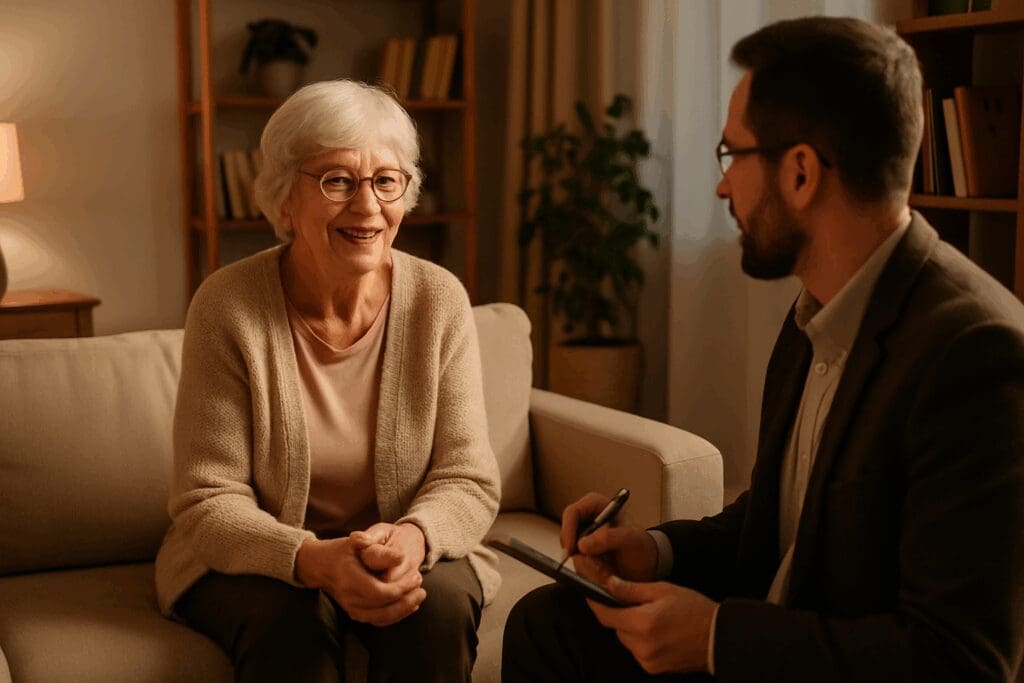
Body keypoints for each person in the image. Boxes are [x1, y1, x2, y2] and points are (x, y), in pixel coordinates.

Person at [502, 16, 1024, 682]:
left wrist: (717, 638)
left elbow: (959, 660)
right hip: (778, 640)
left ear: (801, 173)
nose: (722, 188)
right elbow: (779, 520)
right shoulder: (817, 309)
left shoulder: (976, 355)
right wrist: (653, 551)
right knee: (549, 623)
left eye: (732, 156)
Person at [154, 79, 501, 683]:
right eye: (337, 181)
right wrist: (310, 559)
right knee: (293, 625)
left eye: (386, 181)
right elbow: (208, 498)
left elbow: (466, 477)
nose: (367, 207)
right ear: (285, 200)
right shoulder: (228, 306)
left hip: (400, 547)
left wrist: (415, 538)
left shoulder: (439, 301)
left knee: (436, 609)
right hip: (266, 555)